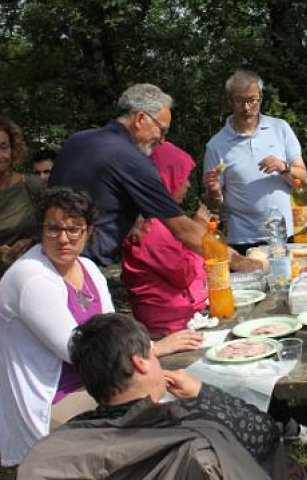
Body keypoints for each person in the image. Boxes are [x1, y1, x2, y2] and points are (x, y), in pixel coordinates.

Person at [0, 187, 203, 467]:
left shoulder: (87, 267)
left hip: (101, 383)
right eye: (53, 229)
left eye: (74, 229)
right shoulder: (32, 277)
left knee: (181, 395)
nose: (63, 238)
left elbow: (114, 330)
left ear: (88, 232)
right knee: (161, 417)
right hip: (52, 402)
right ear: (41, 230)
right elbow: (78, 351)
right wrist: (154, 349)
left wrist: (146, 355)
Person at [19, 313, 279, 479]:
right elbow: (265, 434)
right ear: (140, 362)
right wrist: (203, 393)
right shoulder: (198, 438)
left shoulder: (45, 456)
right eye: (152, 355)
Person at [49, 83, 206, 267]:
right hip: (81, 265)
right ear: (140, 118)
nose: (162, 140)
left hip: (49, 253)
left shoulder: (77, 140)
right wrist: (236, 260)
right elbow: (182, 230)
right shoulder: (132, 160)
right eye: (162, 130)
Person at [203, 69, 307, 254]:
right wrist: (213, 193)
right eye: (240, 101)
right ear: (230, 101)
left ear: (260, 99)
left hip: (284, 234)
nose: (246, 108)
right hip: (242, 240)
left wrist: (284, 167)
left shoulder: (280, 128)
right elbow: (213, 206)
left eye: (252, 100)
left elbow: (304, 178)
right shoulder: (216, 145)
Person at [121, 142, 208, 335]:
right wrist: (198, 234)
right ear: (166, 178)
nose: (187, 184)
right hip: (168, 325)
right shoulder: (149, 226)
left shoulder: (161, 218)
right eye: (182, 178)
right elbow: (184, 272)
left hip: (183, 316)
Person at [0, 116, 45, 273]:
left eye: (3, 147)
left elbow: (56, 227)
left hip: (28, 277)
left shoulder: (33, 186)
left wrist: (30, 242)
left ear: (13, 149)